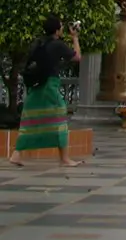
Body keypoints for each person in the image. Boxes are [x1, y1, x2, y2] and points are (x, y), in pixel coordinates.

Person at [8, 17, 83, 168]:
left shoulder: (39, 43)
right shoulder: (58, 45)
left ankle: (16, 155)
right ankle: (65, 159)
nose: (62, 29)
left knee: (30, 121)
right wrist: (75, 38)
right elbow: (77, 57)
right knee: (60, 120)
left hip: (35, 87)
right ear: (56, 30)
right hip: (49, 86)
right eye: (61, 27)